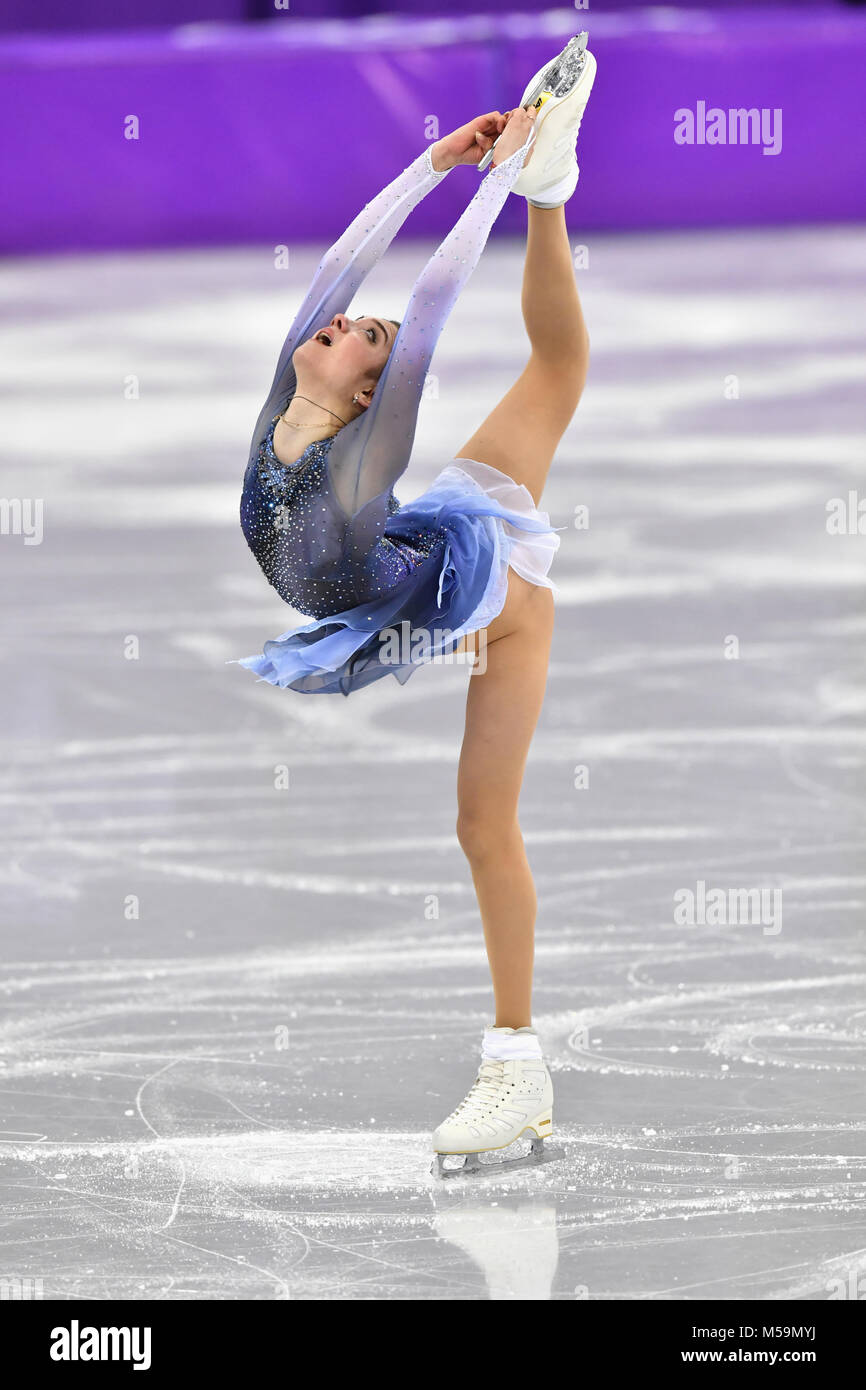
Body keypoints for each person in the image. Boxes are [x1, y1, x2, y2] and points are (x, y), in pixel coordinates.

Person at [231, 35, 596, 1175]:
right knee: (557, 374)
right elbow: (335, 279)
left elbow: (428, 311)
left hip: (480, 588)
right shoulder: (296, 407)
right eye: (346, 330)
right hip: (421, 546)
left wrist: (490, 181)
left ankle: (513, 1067)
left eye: (363, 342)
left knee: (481, 823)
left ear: (370, 398)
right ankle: (556, 194)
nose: (345, 327)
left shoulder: (357, 453)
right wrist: (434, 164)